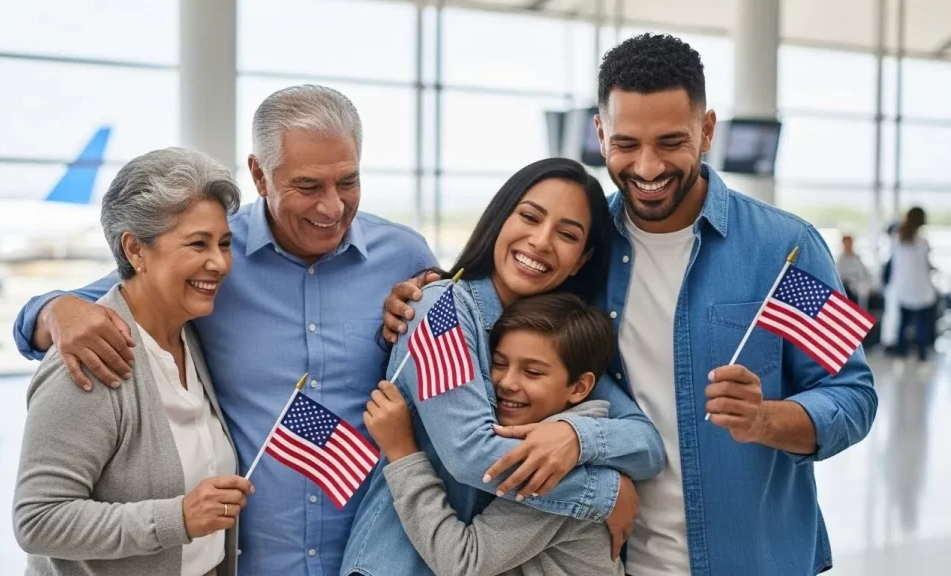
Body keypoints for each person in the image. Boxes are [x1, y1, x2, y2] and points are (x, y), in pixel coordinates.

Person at [382, 34, 877, 576]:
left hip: (756, 559)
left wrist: (765, 419)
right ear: (599, 133)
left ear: (707, 130)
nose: (646, 166)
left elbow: (852, 397)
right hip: (619, 561)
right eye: (626, 143)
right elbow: (491, 310)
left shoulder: (786, 248)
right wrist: (422, 294)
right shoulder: (580, 252)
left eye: (670, 142)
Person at [11, 85, 439, 575]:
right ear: (259, 174)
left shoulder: (404, 256)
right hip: (252, 561)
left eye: (348, 181)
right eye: (307, 186)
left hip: (372, 557)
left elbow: (473, 358)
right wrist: (55, 310)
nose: (332, 208)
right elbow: (120, 295)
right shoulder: (208, 262)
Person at [342, 157, 666, 576]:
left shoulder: (550, 337)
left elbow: (646, 445)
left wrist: (574, 435)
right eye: (529, 217)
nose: (541, 241)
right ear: (500, 219)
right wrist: (605, 491)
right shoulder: (442, 307)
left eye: (567, 234)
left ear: (581, 260)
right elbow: (474, 456)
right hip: (396, 563)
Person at [12, 147, 253, 576]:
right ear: (135, 250)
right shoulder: (91, 358)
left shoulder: (191, 336)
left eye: (224, 243)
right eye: (197, 243)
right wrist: (176, 519)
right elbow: (37, 519)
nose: (218, 262)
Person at [364, 293, 625, 576]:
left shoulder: (553, 465)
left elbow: (462, 563)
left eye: (533, 372)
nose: (508, 383)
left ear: (578, 387)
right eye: (499, 364)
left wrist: (403, 453)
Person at [890, 206, 937, 360]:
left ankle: (901, 351)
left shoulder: (897, 239)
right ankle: (922, 353)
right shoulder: (923, 242)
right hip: (922, 290)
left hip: (903, 288)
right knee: (923, 324)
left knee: (904, 323)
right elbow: (926, 265)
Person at [837, 234, 872, 306]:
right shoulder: (840, 261)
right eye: (846, 244)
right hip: (846, 290)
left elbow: (866, 275)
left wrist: (866, 286)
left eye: (849, 243)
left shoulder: (857, 259)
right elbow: (839, 277)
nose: (848, 246)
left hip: (858, 290)